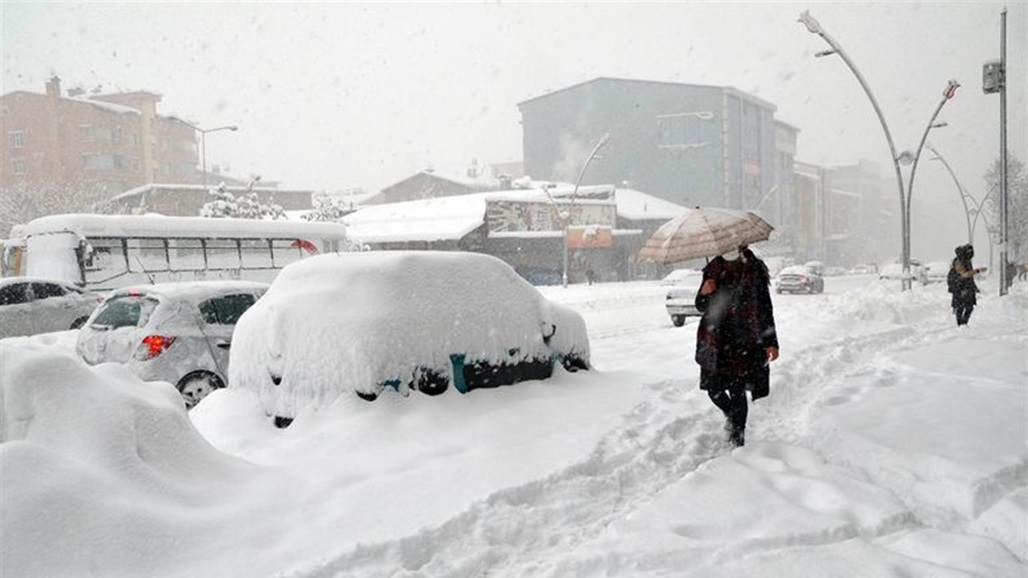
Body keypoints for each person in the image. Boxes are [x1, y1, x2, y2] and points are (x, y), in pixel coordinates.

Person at [694, 245, 780, 447]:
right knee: (713, 389)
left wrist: (771, 342)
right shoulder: (712, 270)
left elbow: (765, 308)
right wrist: (705, 292)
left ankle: (738, 439)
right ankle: (732, 416)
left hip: (744, 340)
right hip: (716, 340)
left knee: (737, 390)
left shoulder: (754, 270)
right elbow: (700, 305)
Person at [948, 244, 985, 326]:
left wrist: (974, 287)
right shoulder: (959, 261)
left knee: (967, 307)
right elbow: (964, 275)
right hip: (960, 287)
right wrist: (978, 270)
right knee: (962, 307)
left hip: (965, 287)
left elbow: (969, 278)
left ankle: (963, 324)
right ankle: (961, 325)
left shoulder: (966, 260)